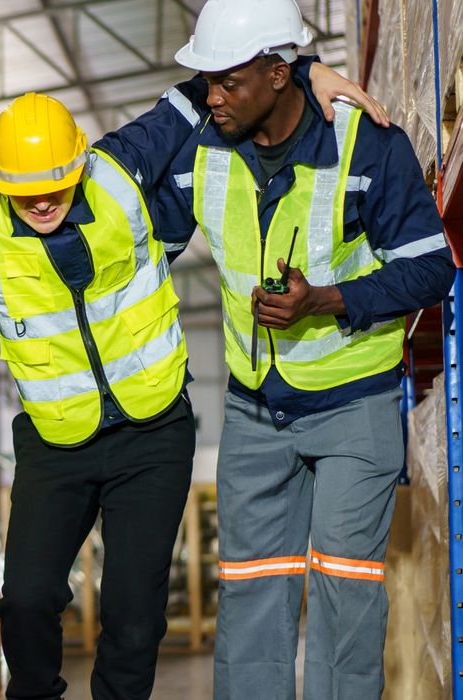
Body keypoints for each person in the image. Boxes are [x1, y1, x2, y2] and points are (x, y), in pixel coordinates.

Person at [0, 65, 387, 700]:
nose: (43, 201)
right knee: (23, 602)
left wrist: (298, 71)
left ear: (80, 164)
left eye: (56, 185)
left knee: (133, 613)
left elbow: (200, 94)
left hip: (153, 431)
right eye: (25, 191)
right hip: (56, 439)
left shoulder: (119, 170)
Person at [155, 0, 457, 698]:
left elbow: (430, 266)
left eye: (228, 81)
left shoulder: (365, 145)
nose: (214, 96)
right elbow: (140, 237)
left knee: (343, 600)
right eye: (209, 83)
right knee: (251, 600)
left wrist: (324, 299)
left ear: (277, 74)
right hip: (256, 411)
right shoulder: (202, 144)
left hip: (355, 406)